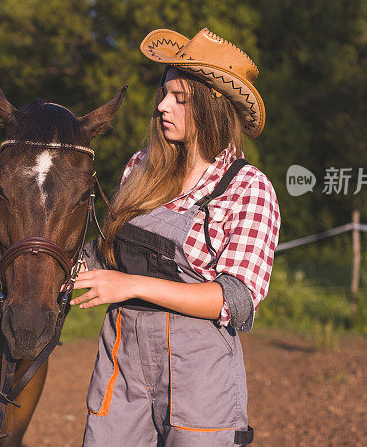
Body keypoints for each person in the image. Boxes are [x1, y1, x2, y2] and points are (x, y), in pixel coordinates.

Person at [73, 27, 281, 447]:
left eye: (180, 99)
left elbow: (235, 300)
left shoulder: (247, 188)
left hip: (198, 383)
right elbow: (108, 254)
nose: (162, 107)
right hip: (122, 368)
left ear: (211, 108)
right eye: (164, 94)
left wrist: (129, 285)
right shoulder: (141, 166)